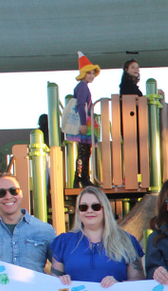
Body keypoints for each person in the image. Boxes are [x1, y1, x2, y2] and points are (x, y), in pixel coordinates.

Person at [66, 51, 99, 188]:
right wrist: (84, 124)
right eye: (89, 73)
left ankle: (82, 177)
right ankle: (81, 178)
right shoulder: (83, 87)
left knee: (84, 151)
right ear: (83, 73)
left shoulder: (82, 86)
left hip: (85, 120)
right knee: (84, 152)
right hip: (84, 121)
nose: (91, 76)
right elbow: (80, 105)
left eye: (93, 73)